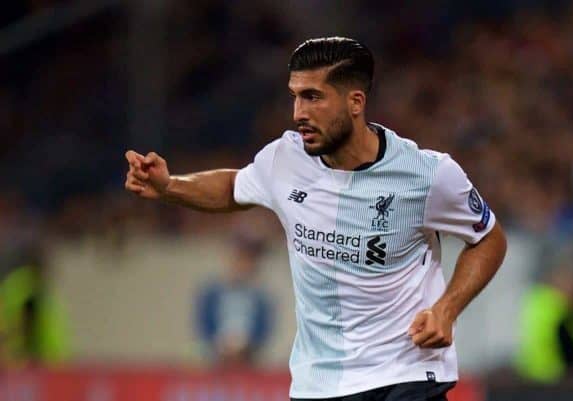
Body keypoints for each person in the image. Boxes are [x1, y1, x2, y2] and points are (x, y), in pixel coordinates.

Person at [124, 37, 507, 401]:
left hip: (406, 374)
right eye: (295, 96)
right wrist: (170, 186)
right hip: (319, 383)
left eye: (313, 97)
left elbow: (488, 238)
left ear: (355, 102)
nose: (298, 113)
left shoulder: (427, 175)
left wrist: (446, 309)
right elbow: (235, 187)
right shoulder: (284, 160)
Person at [195, 229, 273, 367]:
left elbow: (265, 328)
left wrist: (247, 347)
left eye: (246, 261)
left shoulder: (261, 298)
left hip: (249, 358)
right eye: (238, 260)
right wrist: (219, 345)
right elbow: (203, 323)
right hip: (217, 358)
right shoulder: (211, 294)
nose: (242, 265)